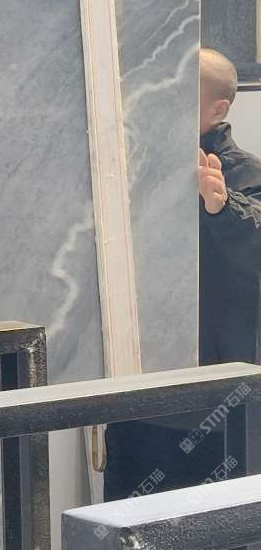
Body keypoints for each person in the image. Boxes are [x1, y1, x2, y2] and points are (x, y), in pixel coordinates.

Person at [104, 48, 261, 499]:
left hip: (215, 401)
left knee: (208, 517)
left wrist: (221, 206)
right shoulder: (133, 167)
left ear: (218, 110)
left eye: (180, 91)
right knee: (126, 517)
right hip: (134, 386)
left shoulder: (245, 173)